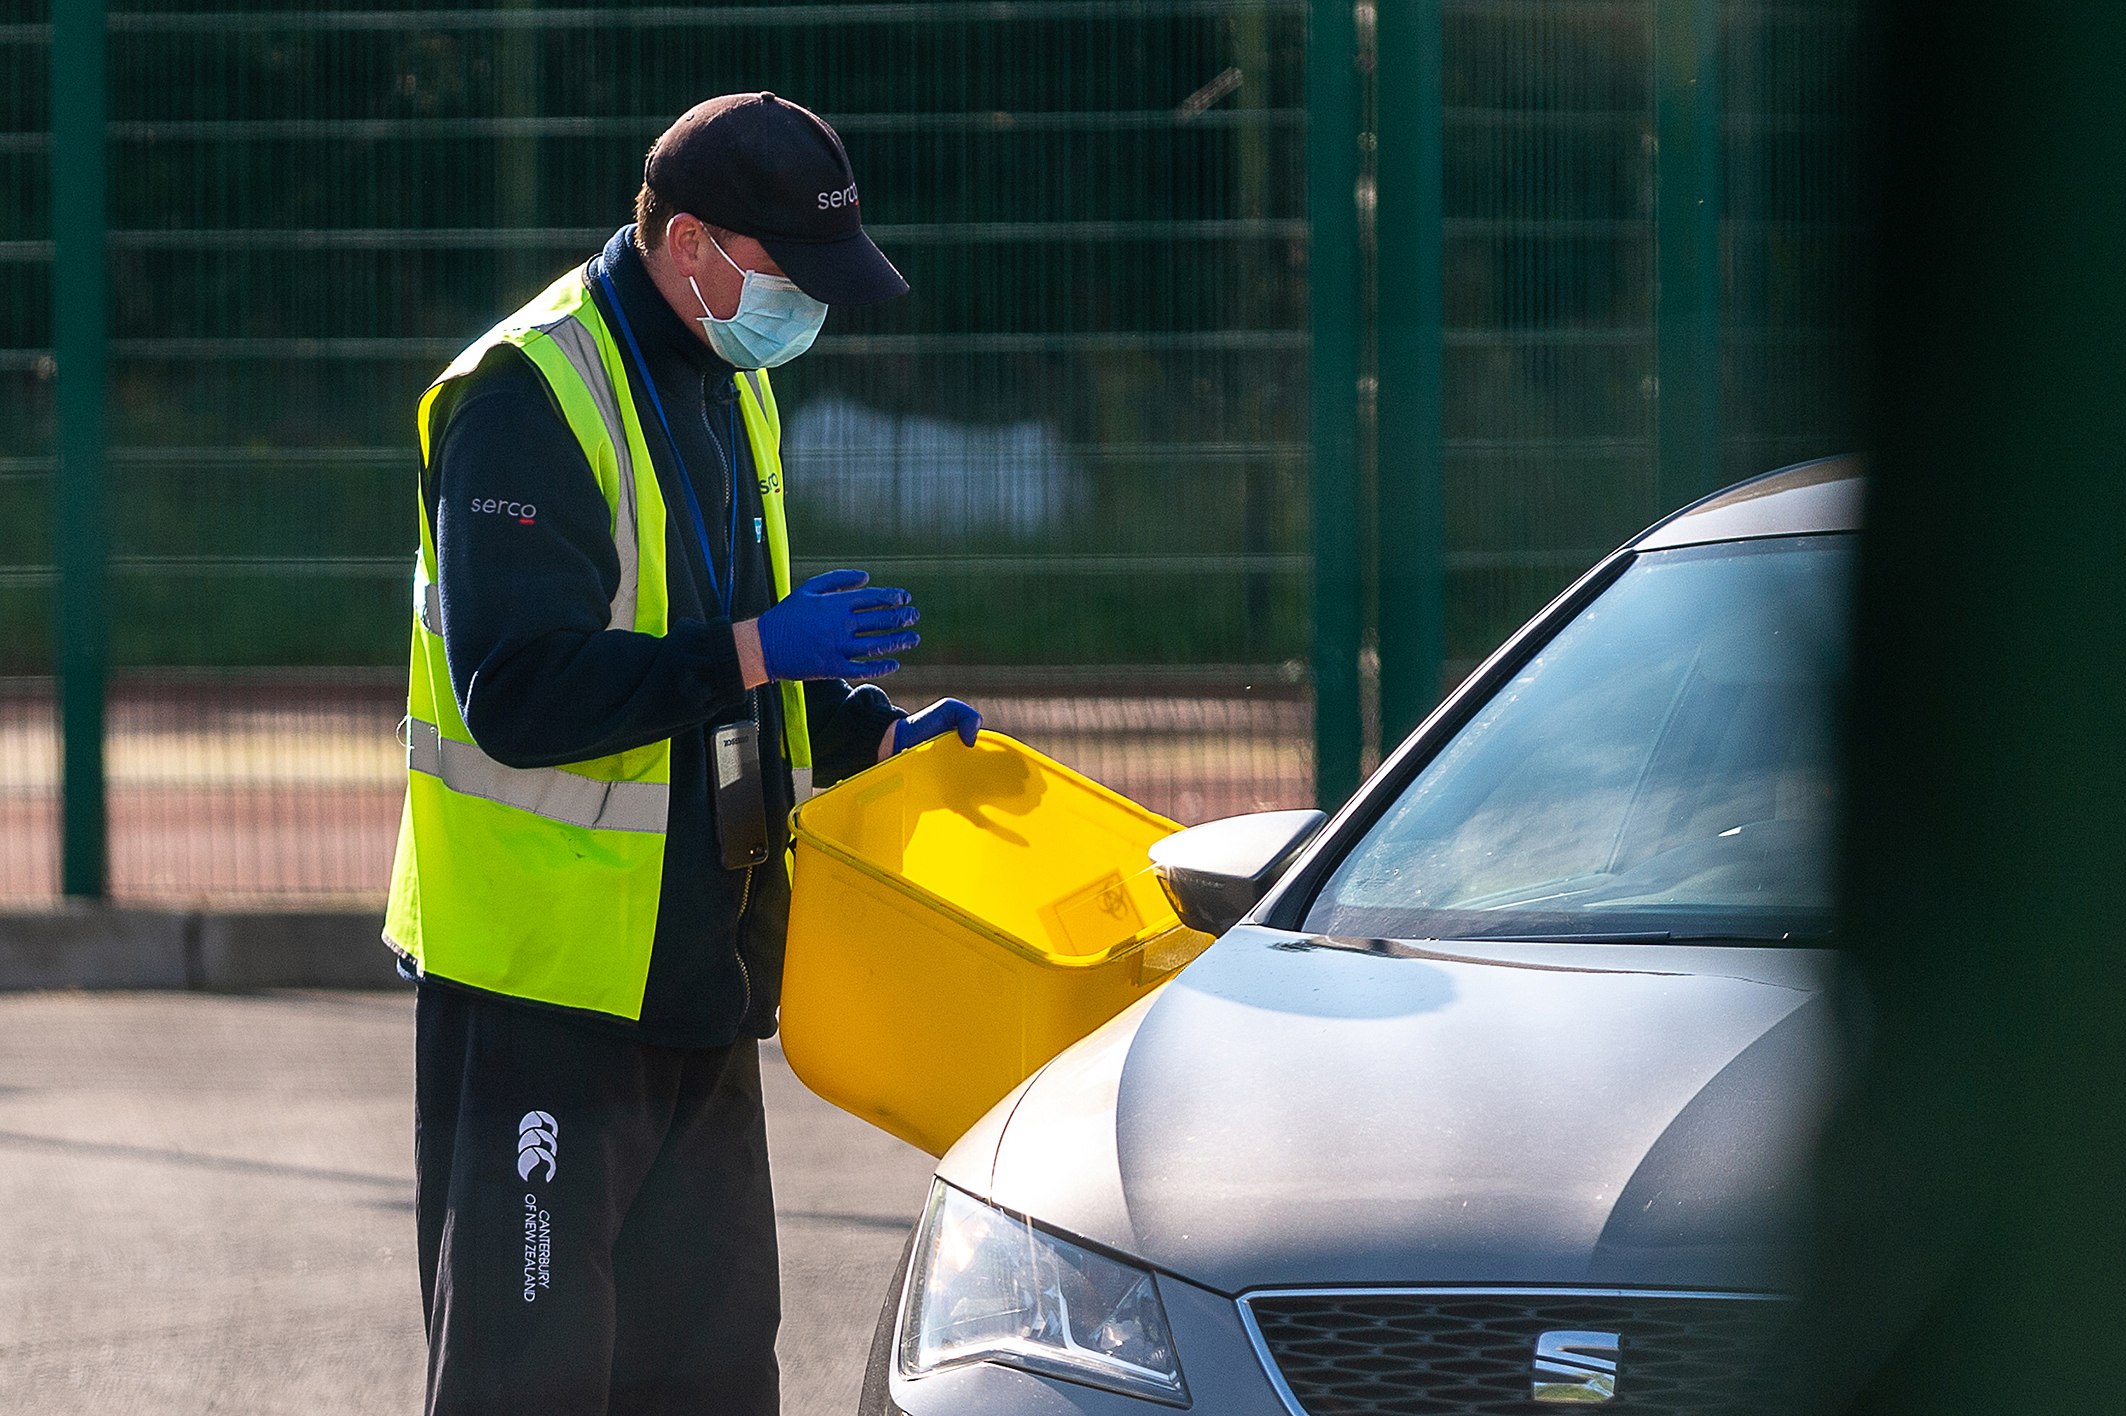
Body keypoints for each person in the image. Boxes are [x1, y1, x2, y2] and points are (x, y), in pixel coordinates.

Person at [383, 92, 980, 1416]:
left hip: (694, 965)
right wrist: (763, 649)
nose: (803, 308)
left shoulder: (726, 379)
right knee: (523, 1380)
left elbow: (719, 649)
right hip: (541, 984)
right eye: (786, 273)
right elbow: (519, 693)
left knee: (708, 1374)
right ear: (691, 241)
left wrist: (866, 730)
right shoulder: (526, 394)